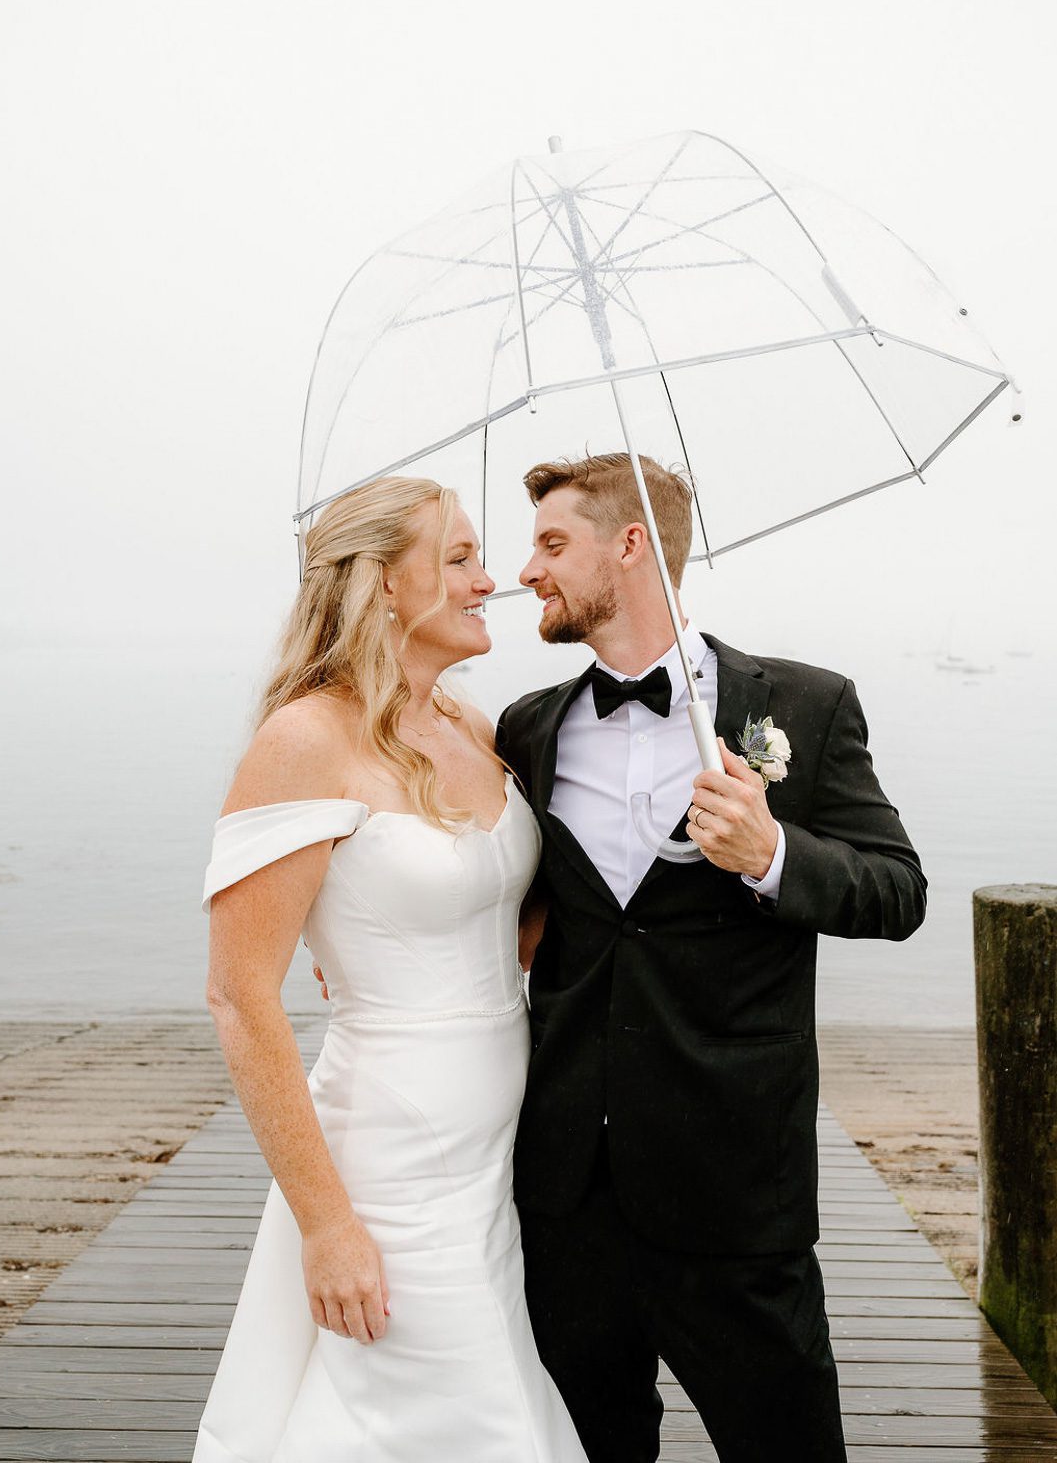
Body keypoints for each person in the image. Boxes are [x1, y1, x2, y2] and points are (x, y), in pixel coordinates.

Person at [495, 452, 927, 1463]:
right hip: (566, 1194)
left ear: (631, 544)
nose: (529, 570)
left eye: (553, 543)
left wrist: (773, 853)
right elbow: (503, 900)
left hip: (736, 1190)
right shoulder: (528, 730)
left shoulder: (805, 709)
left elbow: (897, 889)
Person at [192, 476, 588, 1462]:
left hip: (495, 1152)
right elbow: (242, 998)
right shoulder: (303, 740)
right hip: (391, 1161)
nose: (489, 579)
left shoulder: (471, 728)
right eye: (458, 558)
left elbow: (516, 917)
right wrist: (327, 1225)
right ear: (379, 584)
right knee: (461, 1413)